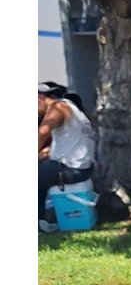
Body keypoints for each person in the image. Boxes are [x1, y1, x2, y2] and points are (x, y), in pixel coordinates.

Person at [38, 81, 95, 230]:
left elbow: (41, 134)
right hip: (83, 168)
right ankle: (40, 219)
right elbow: (68, 142)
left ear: (40, 97)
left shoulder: (57, 107)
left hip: (70, 169)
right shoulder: (72, 108)